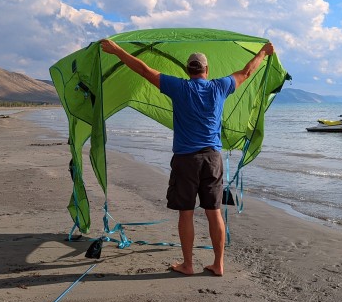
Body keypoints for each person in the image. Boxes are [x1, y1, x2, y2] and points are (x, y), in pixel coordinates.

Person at [100, 38, 275, 276]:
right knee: (213, 211)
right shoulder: (219, 86)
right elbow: (246, 71)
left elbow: (143, 69)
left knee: (187, 212)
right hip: (212, 159)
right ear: (206, 70)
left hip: (186, 159)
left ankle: (188, 265)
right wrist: (263, 52)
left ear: (187, 70)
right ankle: (218, 264)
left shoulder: (179, 87)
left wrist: (117, 50)